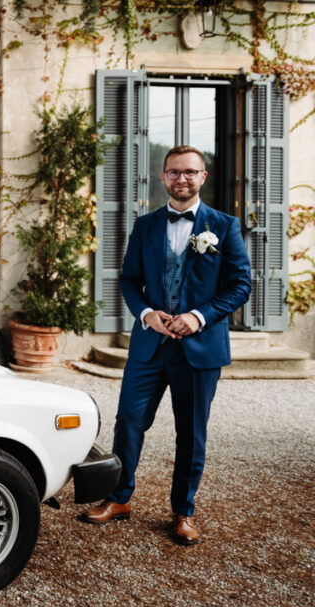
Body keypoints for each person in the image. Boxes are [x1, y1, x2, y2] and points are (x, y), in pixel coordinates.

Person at [80, 145, 251, 546]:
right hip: (149, 347)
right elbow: (128, 279)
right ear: (163, 177)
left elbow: (241, 285)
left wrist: (199, 316)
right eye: (174, 172)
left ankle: (183, 511)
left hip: (199, 349)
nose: (181, 179)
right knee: (128, 421)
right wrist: (146, 314)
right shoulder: (146, 225)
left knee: (191, 433)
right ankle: (119, 498)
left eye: (190, 172)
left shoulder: (224, 227)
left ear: (202, 177)